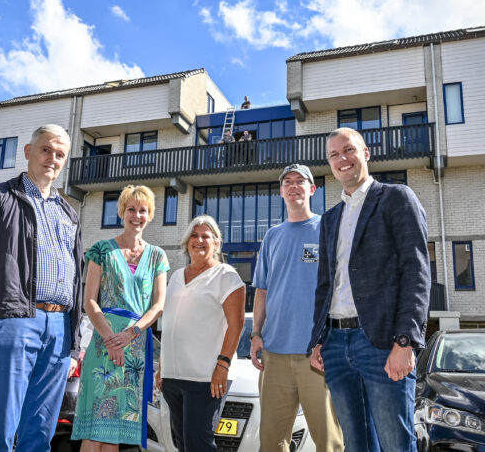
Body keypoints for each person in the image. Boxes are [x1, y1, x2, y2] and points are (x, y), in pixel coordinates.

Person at [0, 124, 84, 452]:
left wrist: (74, 344)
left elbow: (78, 280)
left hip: (59, 329)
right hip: (14, 321)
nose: (52, 159)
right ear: (28, 151)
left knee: (40, 432)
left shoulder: (70, 213)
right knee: (0, 429)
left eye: (60, 154)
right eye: (46, 150)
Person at [309, 127, 431, 452]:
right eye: (333, 155)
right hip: (335, 346)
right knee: (355, 445)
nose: (341, 159)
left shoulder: (396, 198)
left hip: (380, 342)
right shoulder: (330, 219)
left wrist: (405, 340)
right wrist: (319, 340)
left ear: (365, 153)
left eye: (348, 150)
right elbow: (325, 284)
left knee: (396, 445)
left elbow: (416, 272)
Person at [251, 164, 343, 452]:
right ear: (281, 192)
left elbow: (341, 289)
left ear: (312, 189)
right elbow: (262, 290)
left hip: (316, 355)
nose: (293, 186)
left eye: (300, 181)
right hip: (274, 355)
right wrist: (255, 333)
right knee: (271, 443)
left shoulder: (327, 229)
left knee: (328, 442)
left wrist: (330, 341)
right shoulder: (272, 236)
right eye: (287, 182)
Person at [72, 185, 169, 450]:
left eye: (143, 210)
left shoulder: (158, 256)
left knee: (115, 432)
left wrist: (129, 335)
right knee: (94, 431)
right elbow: (89, 301)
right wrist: (110, 339)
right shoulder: (101, 249)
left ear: (150, 215)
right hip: (104, 345)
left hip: (135, 347)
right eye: (131, 209)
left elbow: (158, 305)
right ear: (121, 212)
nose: (137, 215)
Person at [156, 215, 245, 452]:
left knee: (199, 444)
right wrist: (163, 366)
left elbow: (236, 324)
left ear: (216, 243)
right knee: (182, 443)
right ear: (187, 243)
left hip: (206, 378)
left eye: (206, 236)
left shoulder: (226, 275)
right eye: (194, 235)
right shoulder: (176, 276)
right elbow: (171, 324)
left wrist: (222, 366)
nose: (199, 240)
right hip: (174, 377)